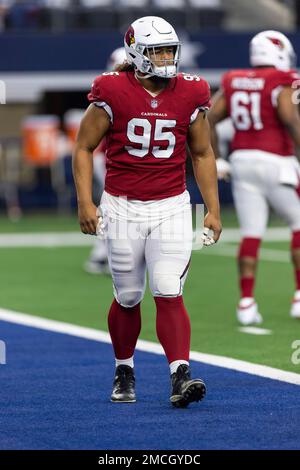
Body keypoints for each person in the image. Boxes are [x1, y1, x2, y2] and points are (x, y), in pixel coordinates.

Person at [72, 16, 221, 407]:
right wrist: (86, 200)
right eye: (157, 51)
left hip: (172, 204)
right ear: (136, 52)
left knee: (169, 288)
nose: (166, 58)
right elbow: (84, 147)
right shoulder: (112, 89)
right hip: (121, 205)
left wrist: (213, 208)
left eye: (170, 50)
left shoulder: (192, 91)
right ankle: (124, 368)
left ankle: (180, 374)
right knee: (129, 295)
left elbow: (202, 152)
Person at [209, 30, 300, 325]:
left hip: (242, 161)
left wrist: (216, 158)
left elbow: (208, 118)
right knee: (298, 225)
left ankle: (246, 303)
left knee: (251, 233)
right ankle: (299, 296)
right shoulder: (282, 80)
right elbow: (288, 117)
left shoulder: (234, 79)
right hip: (277, 161)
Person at [84, 47, 127, 275]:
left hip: (112, 157)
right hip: (110, 158)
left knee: (115, 207)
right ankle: (104, 253)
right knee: (117, 208)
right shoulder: (112, 91)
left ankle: (103, 253)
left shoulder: (109, 88)